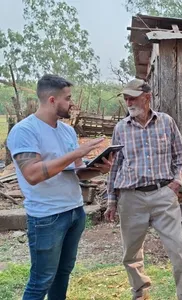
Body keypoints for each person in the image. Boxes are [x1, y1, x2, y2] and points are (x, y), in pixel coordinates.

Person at [7, 74, 113, 300]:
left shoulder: (67, 131)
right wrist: (77, 153)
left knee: (63, 273)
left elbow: (77, 171)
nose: (72, 103)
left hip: (74, 211)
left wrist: (99, 168)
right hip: (46, 216)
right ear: (52, 100)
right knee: (41, 280)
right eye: (68, 98)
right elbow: (33, 174)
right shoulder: (25, 131)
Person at [104, 79, 182, 300]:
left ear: (147, 97)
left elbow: (181, 155)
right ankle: (140, 293)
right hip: (131, 198)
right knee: (131, 253)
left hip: (163, 194)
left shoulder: (166, 122)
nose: (128, 101)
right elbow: (115, 166)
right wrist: (111, 200)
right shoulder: (120, 128)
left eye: (132, 97)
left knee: (178, 250)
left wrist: (176, 182)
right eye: (126, 98)